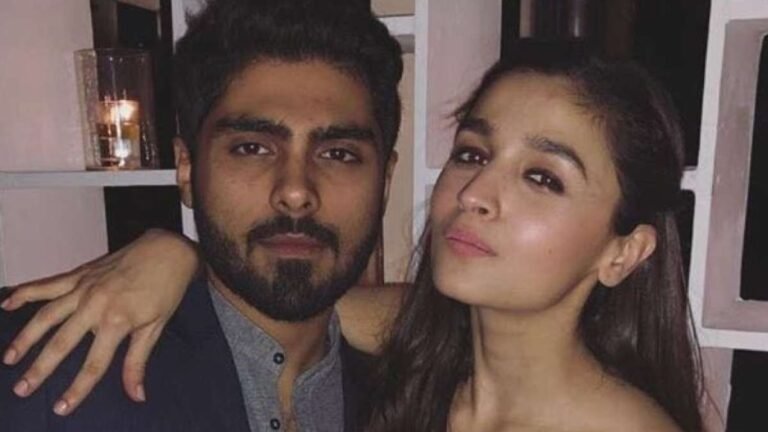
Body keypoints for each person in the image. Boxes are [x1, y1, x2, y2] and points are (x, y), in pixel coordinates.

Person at [3, 45, 705, 431]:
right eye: (472, 153)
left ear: (625, 252)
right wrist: (178, 253)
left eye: (543, 178)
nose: (476, 193)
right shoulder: (419, 359)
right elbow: (283, 302)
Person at [0, 0, 403, 430]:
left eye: (339, 154)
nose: (295, 192)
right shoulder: (41, 368)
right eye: (252, 148)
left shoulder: (415, 397)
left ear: (385, 182)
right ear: (187, 170)